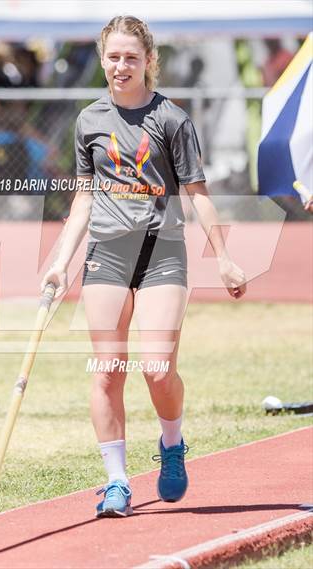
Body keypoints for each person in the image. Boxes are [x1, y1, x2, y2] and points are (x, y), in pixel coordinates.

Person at [41, 16, 246, 518]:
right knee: (108, 372)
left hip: (161, 253)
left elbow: (197, 193)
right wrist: (60, 262)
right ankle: (116, 481)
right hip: (107, 255)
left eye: (131, 56)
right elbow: (83, 200)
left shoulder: (172, 119)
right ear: (103, 57)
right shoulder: (88, 121)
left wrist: (224, 257)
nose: (120, 65)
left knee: (157, 369)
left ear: (148, 61)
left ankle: (172, 443)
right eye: (113, 56)